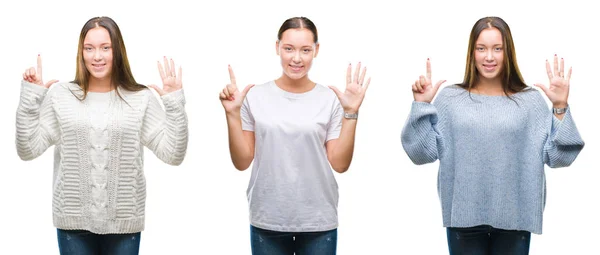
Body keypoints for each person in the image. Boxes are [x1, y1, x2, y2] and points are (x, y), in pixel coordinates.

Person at [400, 16, 584, 255]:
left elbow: (559, 157)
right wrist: (421, 106)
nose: (489, 57)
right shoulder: (450, 99)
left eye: (498, 48)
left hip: (515, 222)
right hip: (463, 222)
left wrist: (560, 106)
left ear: (508, 53)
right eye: (481, 48)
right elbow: (420, 154)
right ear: (472, 53)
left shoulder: (530, 101)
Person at [16, 16, 188, 255]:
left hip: (124, 225)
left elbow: (173, 154)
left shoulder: (140, 98)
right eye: (90, 48)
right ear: (82, 52)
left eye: (105, 48)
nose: (97, 56)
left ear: (117, 51)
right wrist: (30, 98)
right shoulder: (61, 96)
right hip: (72, 224)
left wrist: (174, 103)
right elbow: (27, 149)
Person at [218, 16, 370, 255]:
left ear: (316, 50)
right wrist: (232, 115)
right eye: (289, 48)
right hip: (268, 218)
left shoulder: (329, 99)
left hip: (318, 219)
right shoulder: (255, 96)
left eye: (305, 50)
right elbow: (242, 161)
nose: (296, 58)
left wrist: (351, 112)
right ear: (277, 47)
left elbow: (340, 164)